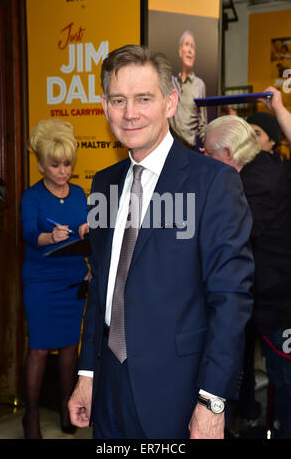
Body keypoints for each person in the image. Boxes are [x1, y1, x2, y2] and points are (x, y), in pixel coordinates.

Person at [68, 44, 254, 440]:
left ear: (170, 103)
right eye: (118, 100)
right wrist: (87, 373)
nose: (129, 113)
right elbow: (100, 285)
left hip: (180, 394)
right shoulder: (105, 183)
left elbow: (230, 299)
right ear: (104, 107)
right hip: (109, 388)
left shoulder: (214, 183)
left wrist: (212, 400)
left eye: (143, 99)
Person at [204, 115, 291, 439]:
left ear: (227, 153)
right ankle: (247, 418)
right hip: (260, 294)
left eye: (209, 153)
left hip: (276, 300)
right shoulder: (260, 168)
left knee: (283, 382)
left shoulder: (257, 181)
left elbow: (233, 235)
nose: (205, 159)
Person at [21, 118, 90, 439]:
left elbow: (91, 233)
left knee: (68, 347)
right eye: (55, 164)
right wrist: (49, 237)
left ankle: (67, 407)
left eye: (67, 164)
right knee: (38, 348)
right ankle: (31, 414)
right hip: (42, 280)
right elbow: (29, 233)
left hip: (73, 277)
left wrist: (89, 236)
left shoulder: (79, 194)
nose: (63, 170)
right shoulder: (32, 196)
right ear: (40, 164)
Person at [169, 30, 207, 150]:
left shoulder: (199, 85)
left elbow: (203, 123)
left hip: (189, 150)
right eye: (187, 44)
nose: (190, 50)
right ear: (180, 51)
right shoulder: (170, 83)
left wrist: (207, 144)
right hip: (169, 148)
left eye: (193, 47)